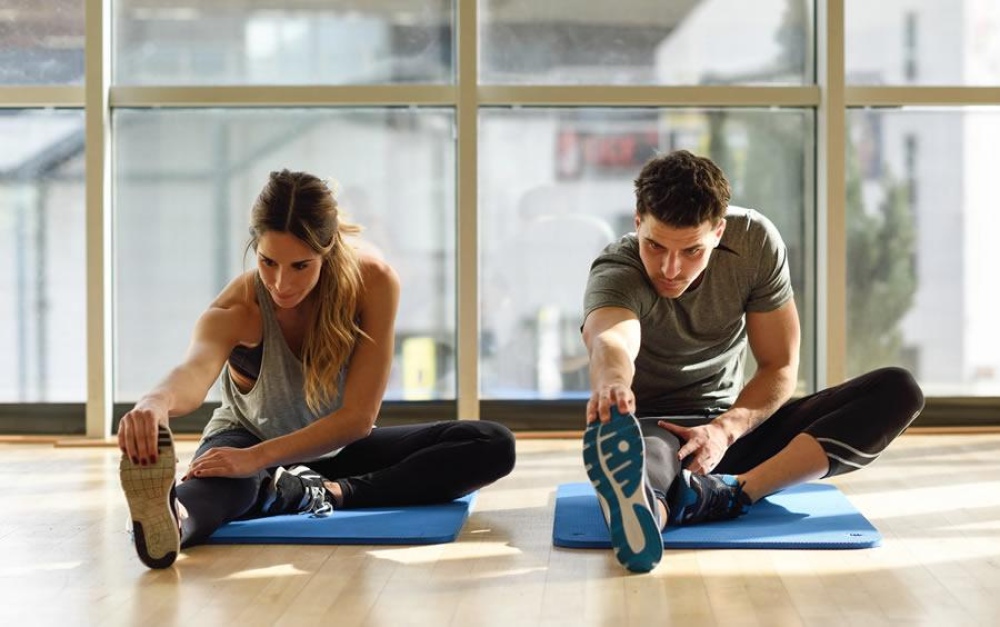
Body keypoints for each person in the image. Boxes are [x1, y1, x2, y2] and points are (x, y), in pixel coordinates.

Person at [118, 169, 516, 569]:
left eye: (300, 266)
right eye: (267, 261)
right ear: (255, 247)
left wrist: (262, 459)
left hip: (336, 446)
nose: (280, 283)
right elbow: (194, 371)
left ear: (327, 250)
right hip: (245, 438)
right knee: (225, 488)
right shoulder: (239, 307)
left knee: (491, 443)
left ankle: (324, 491)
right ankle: (173, 523)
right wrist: (156, 402)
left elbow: (358, 420)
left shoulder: (373, 283)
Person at [581, 150, 924, 573]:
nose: (670, 268)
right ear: (638, 223)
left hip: (737, 429)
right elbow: (612, 340)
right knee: (643, 467)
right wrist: (613, 384)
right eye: (655, 246)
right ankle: (647, 515)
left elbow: (779, 364)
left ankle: (735, 491)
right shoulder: (618, 267)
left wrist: (724, 431)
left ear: (719, 231)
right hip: (657, 431)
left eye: (691, 251)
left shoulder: (754, 242)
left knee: (897, 391)